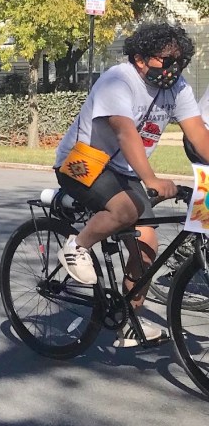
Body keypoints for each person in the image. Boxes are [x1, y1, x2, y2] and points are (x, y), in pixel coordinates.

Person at [54, 22, 209, 347]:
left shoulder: (178, 89)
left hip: (122, 172)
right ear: (140, 58)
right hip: (82, 160)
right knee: (125, 210)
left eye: (180, 62)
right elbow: (125, 131)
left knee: (146, 246)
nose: (174, 69)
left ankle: (127, 322)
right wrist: (151, 179)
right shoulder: (118, 79)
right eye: (167, 61)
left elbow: (198, 134)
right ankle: (76, 246)